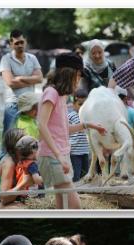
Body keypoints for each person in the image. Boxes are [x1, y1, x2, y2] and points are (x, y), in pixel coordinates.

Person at [38, 53, 106, 209]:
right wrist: (59, 156)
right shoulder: (51, 93)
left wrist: (89, 125)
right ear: (69, 74)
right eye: (78, 75)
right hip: (53, 156)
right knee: (75, 207)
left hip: (61, 154)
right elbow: (41, 125)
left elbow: (62, 130)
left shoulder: (61, 96)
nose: (79, 80)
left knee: (63, 206)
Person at [0, 29, 43, 135]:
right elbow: (10, 83)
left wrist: (19, 78)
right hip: (13, 104)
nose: (20, 45)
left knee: (30, 136)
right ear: (11, 44)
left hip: (30, 104)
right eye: (16, 43)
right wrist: (31, 80)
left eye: (21, 42)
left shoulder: (32, 58)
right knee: (9, 138)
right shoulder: (6, 59)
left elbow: (40, 78)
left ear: (26, 41)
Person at [68, 88, 90, 182]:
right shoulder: (71, 115)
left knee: (85, 174)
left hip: (85, 150)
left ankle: (83, 193)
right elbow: (70, 130)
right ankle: (75, 193)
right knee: (76, 175)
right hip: (75, 151)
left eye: (85, 104)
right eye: (80, 104)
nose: (82, 107)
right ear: (73, 105)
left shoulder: (87, 115)